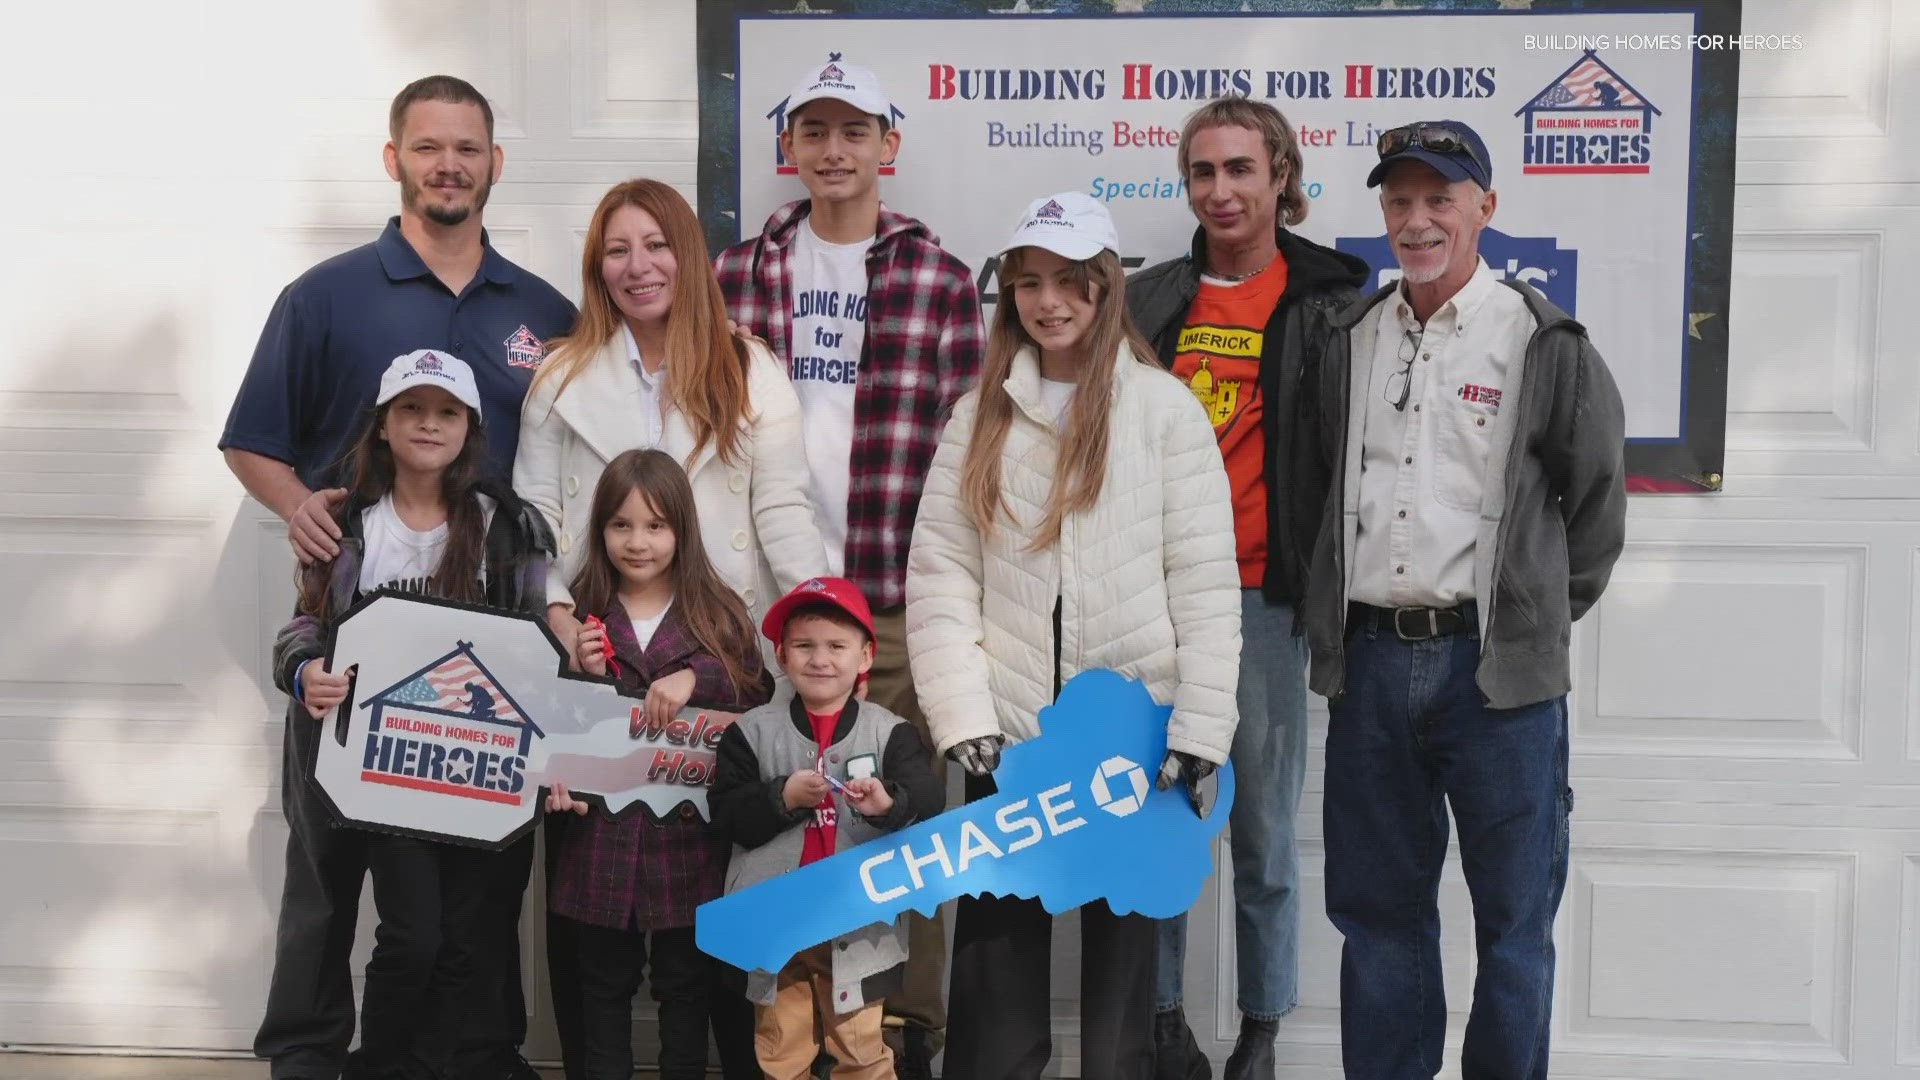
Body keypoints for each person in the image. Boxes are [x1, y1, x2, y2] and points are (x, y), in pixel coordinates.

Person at [220, 74, 575, 1080]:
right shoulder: (325, 296)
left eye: (468, 147)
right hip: (348, 650)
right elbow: (253, 440)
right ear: (396, 160)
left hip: (483, 667)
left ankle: (471, 1053)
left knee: (474, 896)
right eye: (428, 147)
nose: (448, 165)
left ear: (494, 164)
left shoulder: (542, 313)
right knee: (327, 879)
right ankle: (305, 1052)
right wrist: (299, 509)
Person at [1302, 120, 1627, 1079]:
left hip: (1497, 681)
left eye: (1440, 198)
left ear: (1485, 206)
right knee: (1379, 920)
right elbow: (1323, 487)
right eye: (1399, 201)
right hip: (1367, 667)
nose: (1417, 220)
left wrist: (1529, 623)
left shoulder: (1543, 339)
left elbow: (1596, 506)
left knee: (1515, 923)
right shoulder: (1350, 338)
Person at [906, 193, 1242, 1080]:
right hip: (1010, 735)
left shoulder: (1165, 413)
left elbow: (1205, 582)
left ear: (1105, 287)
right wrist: (962, 717)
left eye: (1068, 283)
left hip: (1129, 747)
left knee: (1125, 989)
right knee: (994, 977)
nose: (1048, 302)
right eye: (1028, 284)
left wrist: (1199, 730)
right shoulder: (977, 416)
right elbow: (941, 575)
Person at [714, 58, 984, 1072]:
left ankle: (897, 1037)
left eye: (854, 132)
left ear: (889, 147)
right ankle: (782, 1031)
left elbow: (967, 457)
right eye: (814, 132)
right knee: (768, 817)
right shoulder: (735, 277)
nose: (834, 151)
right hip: (769, 602)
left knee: (901, 830)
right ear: (789, 149)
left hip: (894, 605)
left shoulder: (940, 280)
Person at [1124, 96, 1370, 1080]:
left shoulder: (1334, 299)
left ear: (1282, 178)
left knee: (1265, 836)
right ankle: (1163, 1022)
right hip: (1154, 608)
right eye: (1202, 172)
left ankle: (1263, 1032)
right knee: (1158, 829)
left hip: (1265, 606)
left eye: (1240, 169)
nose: (1220, 190)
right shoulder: (1150, 302)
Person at [270, 351, 555, 1080]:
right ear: (384, 424)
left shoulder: (504, 524)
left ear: (471, 428)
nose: (429, 424)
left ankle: (453, 1063)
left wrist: (552, 752)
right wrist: (307, 673)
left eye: (447, 412)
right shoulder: (347, 521)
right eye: (411, 409)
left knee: (471, 937)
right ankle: (381, 1064)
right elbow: (306, 623)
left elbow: (533, 645)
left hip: (477, 767)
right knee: (413, 936)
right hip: (382, 772)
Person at [517, 178, 830, 660]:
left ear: (686, 252)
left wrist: (821, 625)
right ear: (599, 269)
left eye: (656, 245)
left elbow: (783, 512)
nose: (638, 266)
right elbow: (532, 516)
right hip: (596, 647)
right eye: (618, 250)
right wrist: (556, 612)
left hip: (725, 651)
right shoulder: (559, 377)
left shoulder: (751, 368)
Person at [541, 448, 776, 1080]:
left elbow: (754, 685)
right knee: (602, 988)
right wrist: (582, 676)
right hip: (599, 836)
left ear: (682, 530)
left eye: (655, 526)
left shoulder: (715, 608)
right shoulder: (582, 612)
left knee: (687, 987)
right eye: (621, 525)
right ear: (600, 531)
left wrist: (690, 674)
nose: (637, 542)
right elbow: (545, 717)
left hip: (690, 839)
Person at [710, 577, 945, 1079]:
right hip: (779, 928)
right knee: (781, 1052)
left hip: (857, 926)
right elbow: (727, 814)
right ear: (781, 655)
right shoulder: (749, 732)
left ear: (864, 658)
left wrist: (888, 803)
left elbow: (927, 796)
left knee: (861, 1052)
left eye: (837, 646)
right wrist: (782, 798)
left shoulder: (891, 730)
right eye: (804, 646)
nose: (820, 659)